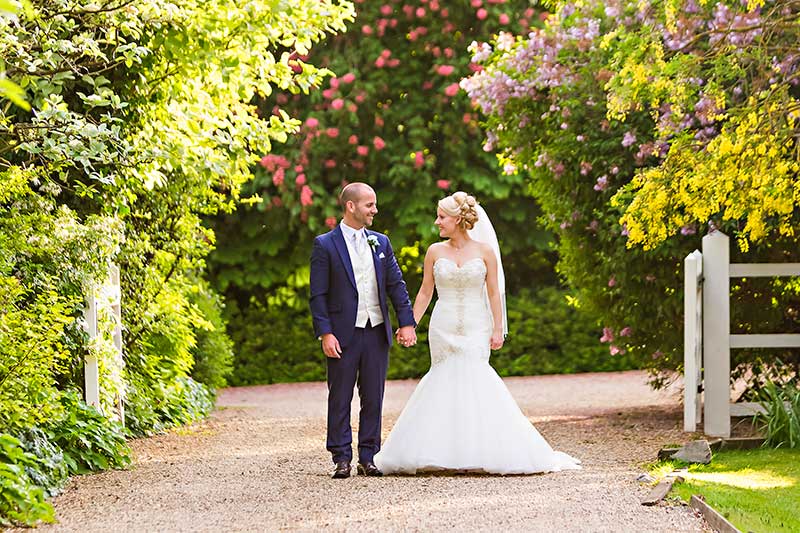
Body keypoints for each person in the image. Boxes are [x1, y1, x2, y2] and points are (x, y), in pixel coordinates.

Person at [374, 192, 581, 474]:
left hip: (476, 323)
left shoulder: (485, 252)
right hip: (443, 324)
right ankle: (439, 451)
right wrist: (410, 324)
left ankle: (482, 449)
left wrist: (498, 328)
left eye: (442, 217)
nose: (437, 222)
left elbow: (494, 292)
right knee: (442, 378)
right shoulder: (435, 251)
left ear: (458, 219)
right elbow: (425, 291)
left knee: (476, 377)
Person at [309, 182, 417, 479]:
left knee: (374, 396)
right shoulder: (325, 244)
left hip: (376, 330)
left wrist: (406, 322)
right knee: (340, 396)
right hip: (342, 333)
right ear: (351, 206)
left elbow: (396, 285)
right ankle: (341, 457)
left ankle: (369, 456)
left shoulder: (380, 242)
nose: (375, 209)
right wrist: (325, 333)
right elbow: (317, 295)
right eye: (370, 204)